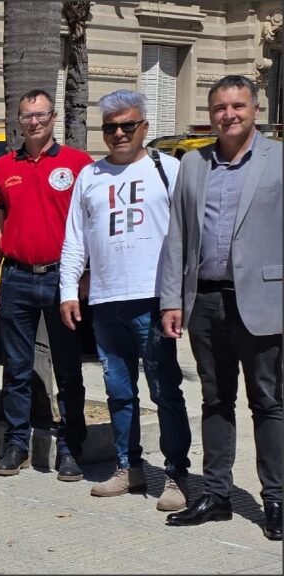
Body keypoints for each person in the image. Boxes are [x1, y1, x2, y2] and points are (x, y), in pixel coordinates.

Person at [160, 75, 283, 541]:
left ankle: (276, 498)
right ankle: (216, 494)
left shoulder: (278, 160)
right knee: (214, 399)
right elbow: (177, 237)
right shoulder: (193, 163)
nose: (228, 115)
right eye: (219, 107)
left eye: (238, 106)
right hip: (206, 299)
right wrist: (172, 298)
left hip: (264, 300)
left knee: (269, 402)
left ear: (255, 109)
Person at [59, 89, 191, 510]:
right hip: (106, 300)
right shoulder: (90, 176)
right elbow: (74, 240)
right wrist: (67, 291)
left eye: (127, 125)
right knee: (118, 391)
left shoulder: (167, 169)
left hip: (154, 299)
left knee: (165, 390)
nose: (118, 133)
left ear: (144, 128)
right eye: (111, 127)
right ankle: (127, 468)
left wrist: (180, 298)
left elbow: (188, 239)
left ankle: (176, 475)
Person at [0, 89, 93, 481]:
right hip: (15, 279)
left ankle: (69, 449)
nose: (33, 122)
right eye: (26, 116)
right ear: (18, 120)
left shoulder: (78, 164)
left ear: (54, 118)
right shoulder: (3, 167)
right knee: (15, 369)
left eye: (41, 115)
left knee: (68, 370)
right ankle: (16, 444)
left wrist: (85, 276)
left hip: (62, 280)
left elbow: (90, 226)